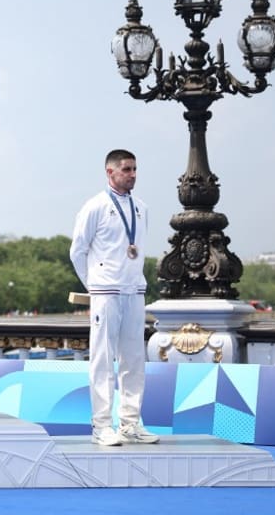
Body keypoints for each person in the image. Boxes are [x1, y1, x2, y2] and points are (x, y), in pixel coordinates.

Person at [69, 149, 159, 446]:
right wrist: (95, 284)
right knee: (103, 360)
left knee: (134, 359)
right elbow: (77, 251)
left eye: (135, 169)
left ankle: (130, 423)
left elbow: (136, 248)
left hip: (135, 291)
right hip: (106, 293)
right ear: (110, 172)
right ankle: (102, 425)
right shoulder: (95, 207)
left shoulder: (142, 208)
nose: (132, 174)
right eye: (127, 169)